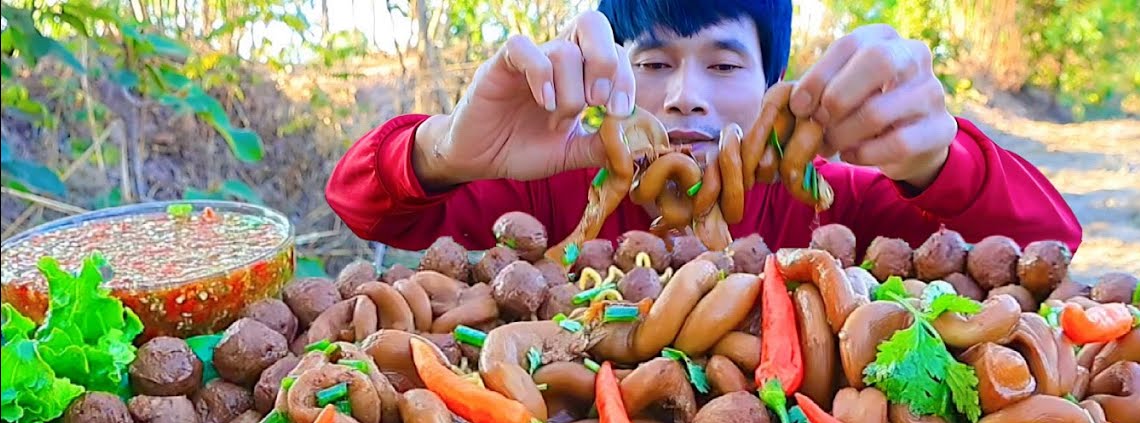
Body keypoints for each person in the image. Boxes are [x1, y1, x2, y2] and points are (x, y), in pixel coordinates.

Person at [326, 1, 1082, 256]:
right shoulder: (546, 196)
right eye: (653, 64)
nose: (684, 98)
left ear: (773, 85)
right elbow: (359, 205)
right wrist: (444, 152)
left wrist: (936, 159)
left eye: (724, 67)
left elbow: (1053, 241)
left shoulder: (834, 205)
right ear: (610, 77)